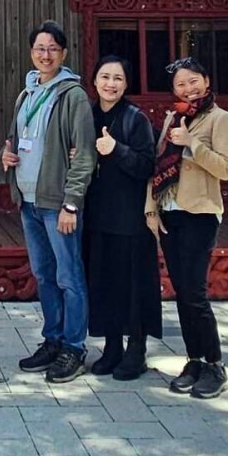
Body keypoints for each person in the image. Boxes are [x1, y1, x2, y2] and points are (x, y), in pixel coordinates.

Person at [2, 20, 95, 383]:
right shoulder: (26, 93)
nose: (45, 55)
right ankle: (52, 340)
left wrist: (72, 203)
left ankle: (74, 346)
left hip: (58, 204)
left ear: (64, 54)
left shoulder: (72, 95)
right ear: (31, 52)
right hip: (29, 200)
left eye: (52, 49)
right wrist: (6, 156)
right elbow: (19, 140)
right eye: (39, 48)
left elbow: (85, 155)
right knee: (44, 275)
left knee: (69, 275)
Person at [153, 56, 228, 400]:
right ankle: (194, 359)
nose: (187, 89)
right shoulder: (173, 117)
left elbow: (225, 168)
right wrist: (152, 208)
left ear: (205, 80)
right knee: (181, 291)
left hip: (199, 213)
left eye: (193, 82)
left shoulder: (222, 119)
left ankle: (215, 364)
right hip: (170, 211)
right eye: (180, 84)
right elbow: (159, 160)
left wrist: (191, 143)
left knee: (196, 293)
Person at [83, 56, 161, 380]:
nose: (110, 84)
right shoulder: (86, 114)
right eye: (105, 76)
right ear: (95, 80)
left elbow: (147, 165)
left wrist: (116, 149)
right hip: (96, 214)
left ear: (127, 83)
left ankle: (137, 349)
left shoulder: (135, 118)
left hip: (130, 217)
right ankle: (112, 346)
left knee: (132, 284)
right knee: (104, 282)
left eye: (118, 78)